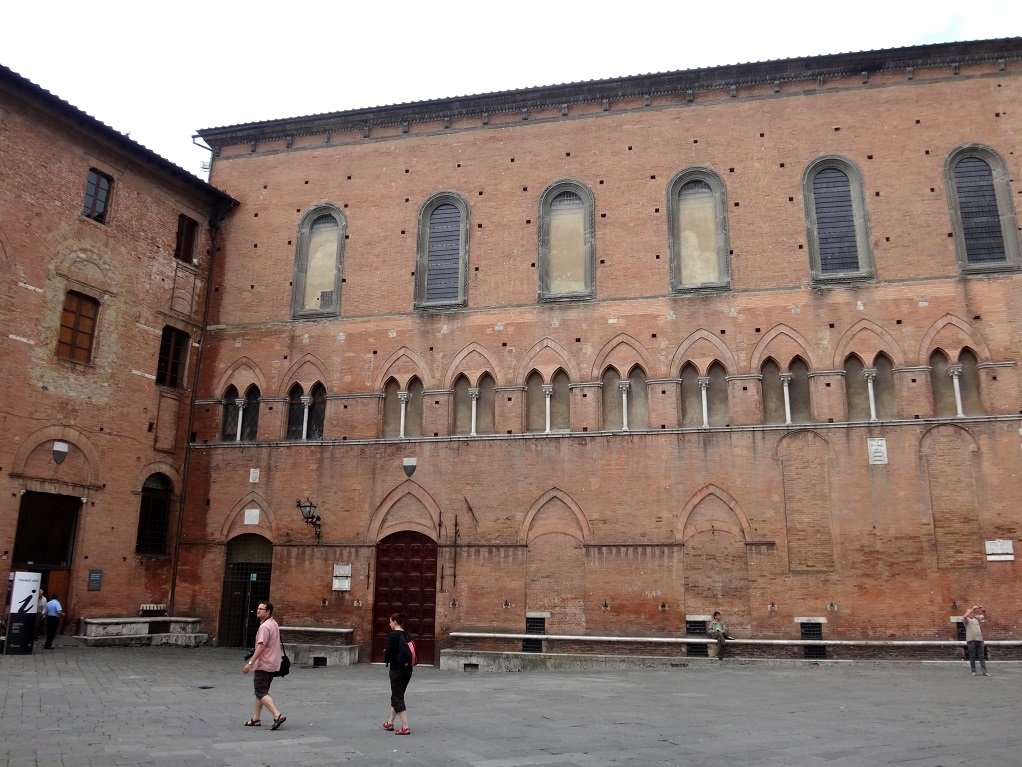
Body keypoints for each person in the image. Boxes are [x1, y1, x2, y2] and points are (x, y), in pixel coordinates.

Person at [242, 601, 287, 729]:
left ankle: (277, 715)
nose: (258, 610)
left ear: (268, 612)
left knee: (261, 691)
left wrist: (250, 663)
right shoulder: (274, 624)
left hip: (264, 663)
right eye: (258, 608)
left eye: (261, 609)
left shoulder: (264, 627)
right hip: (273, 663)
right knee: (261, 691)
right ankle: (256, 718)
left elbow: (261, 646)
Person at [382, 612, 413, 735]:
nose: (389, 624)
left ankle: (405, 727)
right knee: (398, 694)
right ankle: (390, 722)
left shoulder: (393, 635)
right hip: (408, 669)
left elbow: (388, 654)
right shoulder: (408, 634)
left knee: (397, 697)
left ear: (395, 622)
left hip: (397, 669)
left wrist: (386, 655)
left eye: (390, 622)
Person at [962, 605, 990, 676]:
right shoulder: (966, 620)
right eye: (970, 613)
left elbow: (985, 618)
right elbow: (965, 616)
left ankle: (985, 672)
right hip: (971, 640)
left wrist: (984, 611)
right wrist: (972, 608)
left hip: (980, 640)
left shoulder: (976, 619)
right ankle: (973, 671)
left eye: (972, 613)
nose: (972, 614)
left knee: (982, 656)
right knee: (972, 656)